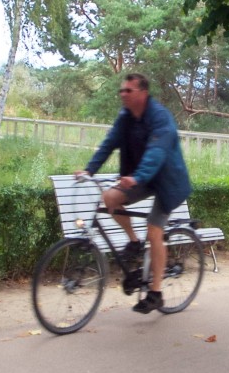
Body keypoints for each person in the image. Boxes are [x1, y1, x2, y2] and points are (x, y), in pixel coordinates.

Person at [77, 74, 191, 315]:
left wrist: (137, 177)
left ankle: (156, 293)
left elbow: (157, 152)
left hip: (166, 182)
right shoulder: (125, 117)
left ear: (142, 93)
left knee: (154, 231)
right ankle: (133, 242)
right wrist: (89, 170)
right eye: (122, 90)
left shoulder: (160, 118)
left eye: (128, 90)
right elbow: (109, 143)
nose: (123, 94)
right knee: (109, 198)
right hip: (141, 177)